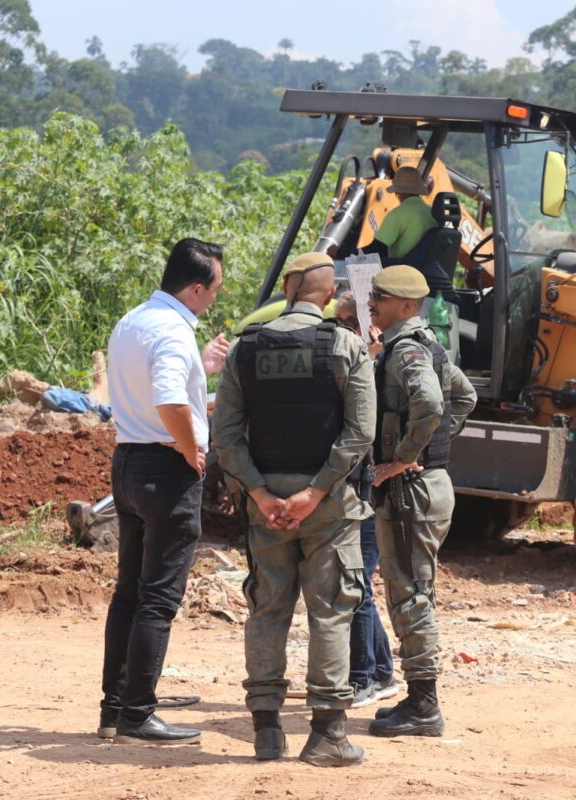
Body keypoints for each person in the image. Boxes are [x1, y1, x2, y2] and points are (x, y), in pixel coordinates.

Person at [212, 252, 375, 767]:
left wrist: (260, 494)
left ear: (287, 289)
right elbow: (360, 432)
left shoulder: (245, 350)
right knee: (330, 612)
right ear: (328, 295)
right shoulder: (346, 346)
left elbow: (225, 436)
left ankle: (266, 730)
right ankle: (327, 733)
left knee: (267, 609)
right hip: (327, 507)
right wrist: (317, 492)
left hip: (266, 509)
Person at [100, 238, 228, 746]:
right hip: (165, 468)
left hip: (128, 460)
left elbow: (162, 389)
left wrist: (203, 370)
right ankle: (138, 716)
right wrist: (191, 447)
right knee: (159, 598)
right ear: (196, 288)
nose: (215, 298)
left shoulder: (134, 321)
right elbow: (171, 399)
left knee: (129, 592)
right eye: (215, 288)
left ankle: (114, 709)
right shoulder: (174, 332)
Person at [365, 265, 476, 738]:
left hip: (412, 491)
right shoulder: (428, 343)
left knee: (410, 597)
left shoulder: (406, 349)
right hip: (427, 485)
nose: (372, 301)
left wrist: (406, 456)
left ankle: (424, 706)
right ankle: (416, 699)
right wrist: (430, 452)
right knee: (413, 592)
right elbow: (465, 398)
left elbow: (432, 404)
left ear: (407, 306)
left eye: (381, 297)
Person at [333, 293, 398, 708]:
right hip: (354, 491)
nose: (343, 333)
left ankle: (365, 676)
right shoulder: (351, 365)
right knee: (357, 584)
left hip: (369, 492)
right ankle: (381, 672)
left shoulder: (379, 369)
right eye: (337, 323)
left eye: (351, 325)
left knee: (356, 584)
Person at [362, 167, 436, 265]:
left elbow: (376, 250)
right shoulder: (433, 213)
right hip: (426, 272)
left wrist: (343, 252)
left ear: (398, 192)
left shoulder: (396, 215)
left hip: (402, 273)